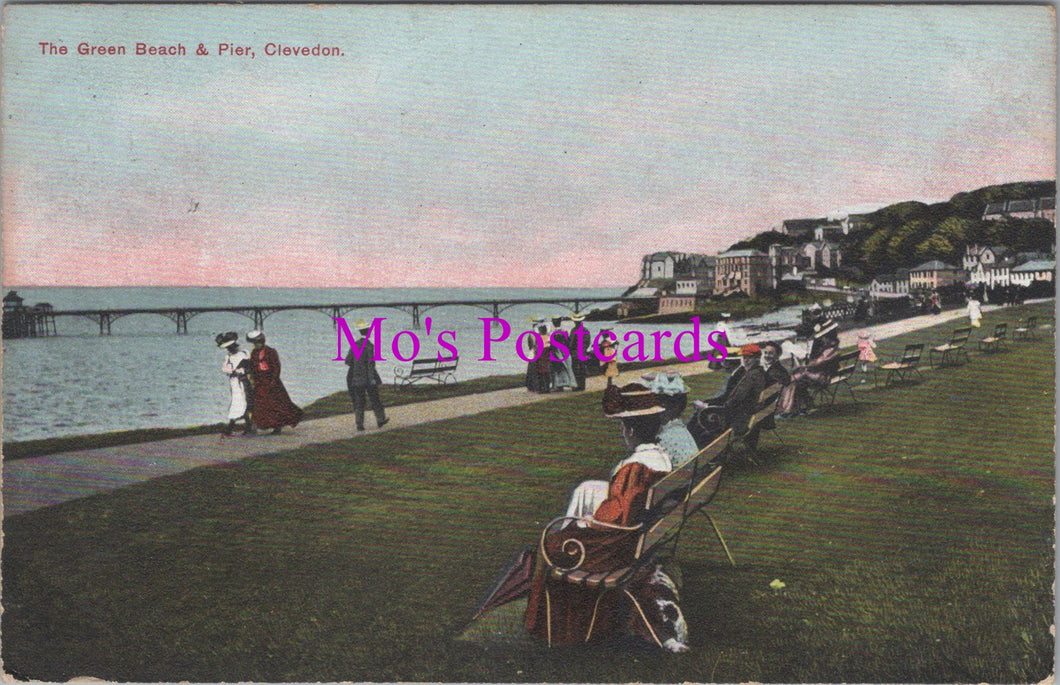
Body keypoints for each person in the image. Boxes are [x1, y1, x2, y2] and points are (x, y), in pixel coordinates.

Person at [524, 383, 688, 652]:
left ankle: (551, 626)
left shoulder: (635, 468)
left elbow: (616, 519)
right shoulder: (661, 459)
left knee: (552, 545)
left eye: (623, 428)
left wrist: (585, 522)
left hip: (618, 548)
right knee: (577, 511)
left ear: (631, 430)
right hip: (642, 538)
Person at [687, 344, 767, 448]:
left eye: (750, 358)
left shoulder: (750, 377)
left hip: (737, 421)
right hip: (744, 416)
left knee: (700, 422)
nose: (746, 361)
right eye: (744, 357)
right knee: (698, 421)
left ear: (757, 359)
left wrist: (706, 407)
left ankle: (692, 450)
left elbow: (732, 403)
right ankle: (689, 444)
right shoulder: (757, 373)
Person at [776, 320, 840, 417]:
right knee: (796, 379)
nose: (823, 340)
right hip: (823, 374)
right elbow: (817, 363)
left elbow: (817, 363)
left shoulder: (830, 350)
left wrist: (802, 367)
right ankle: (803, 406)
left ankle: (788, 409)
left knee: (793, 380)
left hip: (822, 377)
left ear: (829, 337)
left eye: (824, 338)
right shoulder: (832, 348)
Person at [246, 330, 304, 435]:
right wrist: (252, 379)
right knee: (260, 404)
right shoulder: (254, 353)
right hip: (260, 381)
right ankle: (258, 425)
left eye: (258, 343)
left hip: (271, 380)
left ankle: (277, 426)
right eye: (255, 343)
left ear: (262, 342)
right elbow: (252, 367)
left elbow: (276, 367)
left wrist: (273, 380)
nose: (256, 345)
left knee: (276, 404)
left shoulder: (270, 351)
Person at [644, 371, 698, 469]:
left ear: (663, 408)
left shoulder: (661, 440)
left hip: (677, 482)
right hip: (687, 479)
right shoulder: (680, 430)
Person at [345, 320, 389, 432]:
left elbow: (348, 361)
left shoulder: (354, 345)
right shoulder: (370, 346)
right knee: (375, 399)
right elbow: (370, 364)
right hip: (369, 379)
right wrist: (372, 379)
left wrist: (357, 366)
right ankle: (380, 419)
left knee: (359, 401)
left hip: (357, 379)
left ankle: (359, 423)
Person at [215, 331, 254, 436]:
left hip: (243, 382)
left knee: (240, 402)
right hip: (234, 382)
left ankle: (231, 427)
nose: (229, 349)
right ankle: (248, 425)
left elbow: (249, 368)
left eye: (231, 347)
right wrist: (233, 370)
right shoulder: (229, 357)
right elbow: (225, 369)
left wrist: (239, 370)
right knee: (239, 402)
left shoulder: (243, 354)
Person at [549, 317, 575, 391]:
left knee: (557, 369)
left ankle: (558, 385)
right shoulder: (564, 331)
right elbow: (568, 342)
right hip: (564, 351)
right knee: (567, 367)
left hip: (556, 351)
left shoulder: (552, 332)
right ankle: (570, 383)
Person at [568, 313, 591, 391]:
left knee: (577, 369)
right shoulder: (585, 330)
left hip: (576, 353)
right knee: (581, 369)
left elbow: (571, 342)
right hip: (581, 352)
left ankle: (578, 385)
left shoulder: (574, 330)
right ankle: (581, 385)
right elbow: (588, 342)